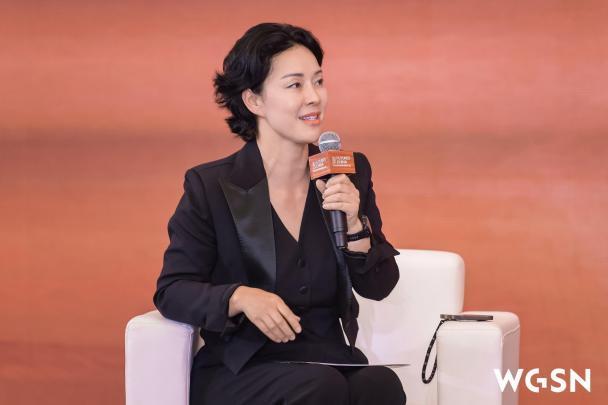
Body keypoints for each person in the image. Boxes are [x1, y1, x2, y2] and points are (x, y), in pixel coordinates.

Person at [153, 22, 406, 405]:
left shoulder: (346, 172)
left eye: (318, 82)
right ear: (254, 101)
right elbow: (173, 290)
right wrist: (239, 296)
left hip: (326, 358)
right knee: (320, 387)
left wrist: (356, 225)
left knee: (380, 385)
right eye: (295, 85)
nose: (314, 97)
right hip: (242, 366)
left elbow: (379, 286)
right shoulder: (211, 186)